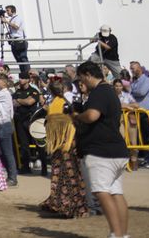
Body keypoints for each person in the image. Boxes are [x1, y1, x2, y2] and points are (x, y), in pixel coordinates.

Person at [74, 61, 131, 238]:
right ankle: (122, 234)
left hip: (101, 151)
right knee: (116, 193)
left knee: (101, 191)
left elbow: (92, 115)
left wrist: (77, 116)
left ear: (88, 75)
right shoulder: (110, 91)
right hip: (116, 150)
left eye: (81, 78)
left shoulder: (99, 91)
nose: (81, 82)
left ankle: (116, 234)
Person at [39, 77, 88, 219]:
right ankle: (66, 204)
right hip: (67, 142)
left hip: (62, 143)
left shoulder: (59, 103)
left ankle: (65, 205)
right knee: (68, 172)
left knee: (62, 172)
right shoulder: (67, 101)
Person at [126, 61, 149, 168]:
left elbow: (141, 92)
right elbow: (131, 93)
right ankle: (147, 159)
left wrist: (133, 91)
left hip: (147, 112)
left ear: (139, 69)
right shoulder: (134, 82)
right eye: (131, 68)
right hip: (138, 113)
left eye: (133, 68)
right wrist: (133, 90)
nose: (132, 70)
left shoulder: (147, 80)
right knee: (142, 137)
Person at [0, 75, 17, 185]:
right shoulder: (3, 92)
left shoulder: (4, 94)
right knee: (3, 152)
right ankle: (10, 176)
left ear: (5, 83)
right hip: (3, 124)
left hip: (4, 124)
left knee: (7, 152)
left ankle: (12, 177)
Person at [1, 7, 29, 75]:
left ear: (13, 10)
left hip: (20, 41)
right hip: (14, 42)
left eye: (8, 10)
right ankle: (23, 73)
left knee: (23, 59)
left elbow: (16, 27)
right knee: (18, 60)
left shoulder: (17, 18)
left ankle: (27, 73)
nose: (7, 12)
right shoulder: (12, 19)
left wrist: (6, 21)